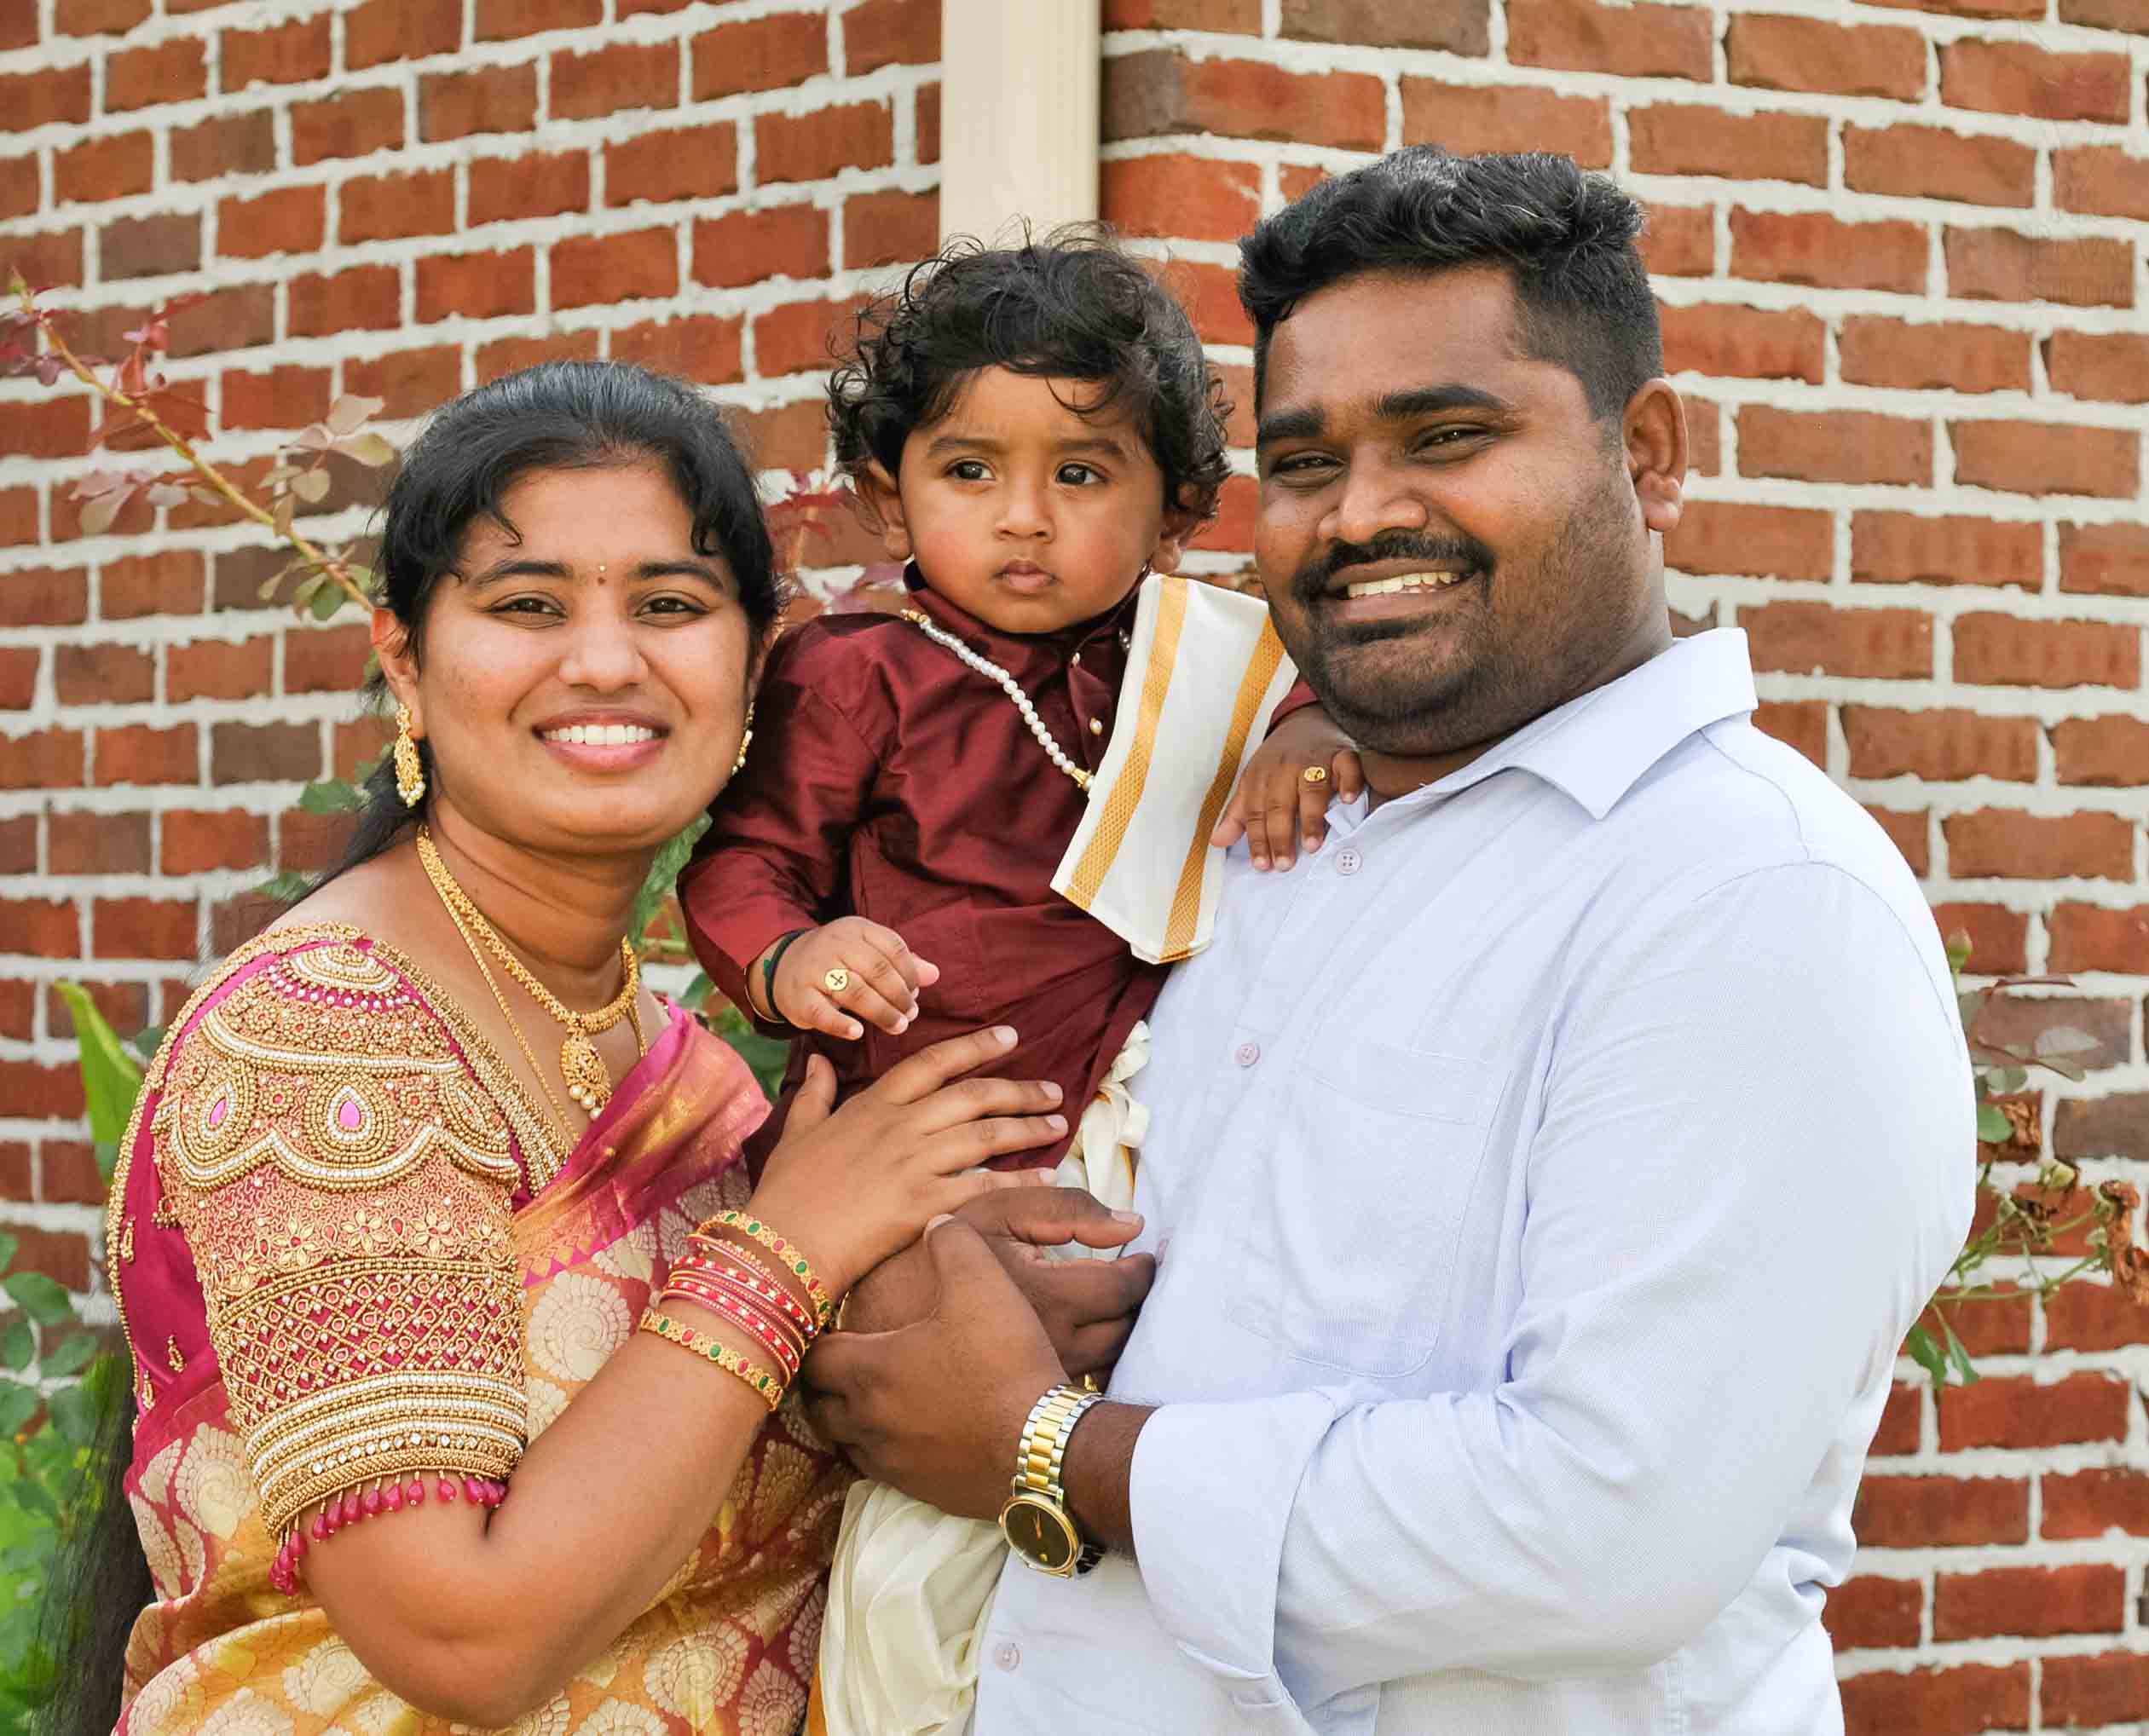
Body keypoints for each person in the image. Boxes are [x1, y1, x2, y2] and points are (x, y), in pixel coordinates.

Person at [803, 148, 1977, 1734]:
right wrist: (1022, 1272)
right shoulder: (1268, 840)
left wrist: (1041, 1448)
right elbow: (1234, 1280)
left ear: (1650, 452)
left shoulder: (1749, 896)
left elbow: (1606, 1527)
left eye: (1446, 436)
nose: (1360, 513)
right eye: (1302, 462)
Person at [55, 360, 1152, 1736]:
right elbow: (460, 1633)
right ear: (405, 662)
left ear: (754, 669)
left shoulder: (669, 1051)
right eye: (527, 604)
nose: (604, 660)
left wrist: (942, 1270)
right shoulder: (326, 1035)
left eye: (670, 605)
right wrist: (792, 1247)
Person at [680, 233, 1355, 1735]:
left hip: (1147, 1125)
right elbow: (737, 870)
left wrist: (1305, 731)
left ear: (1179, 505)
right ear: (884, 492)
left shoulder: (1212, 657)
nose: (1025, 520)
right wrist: (797, 957)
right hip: (930, 1148)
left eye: (1083, 472)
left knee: (1112, 1500)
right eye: (970, 470)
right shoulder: (857, 668)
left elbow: (1323, 687)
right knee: (924, 1534)